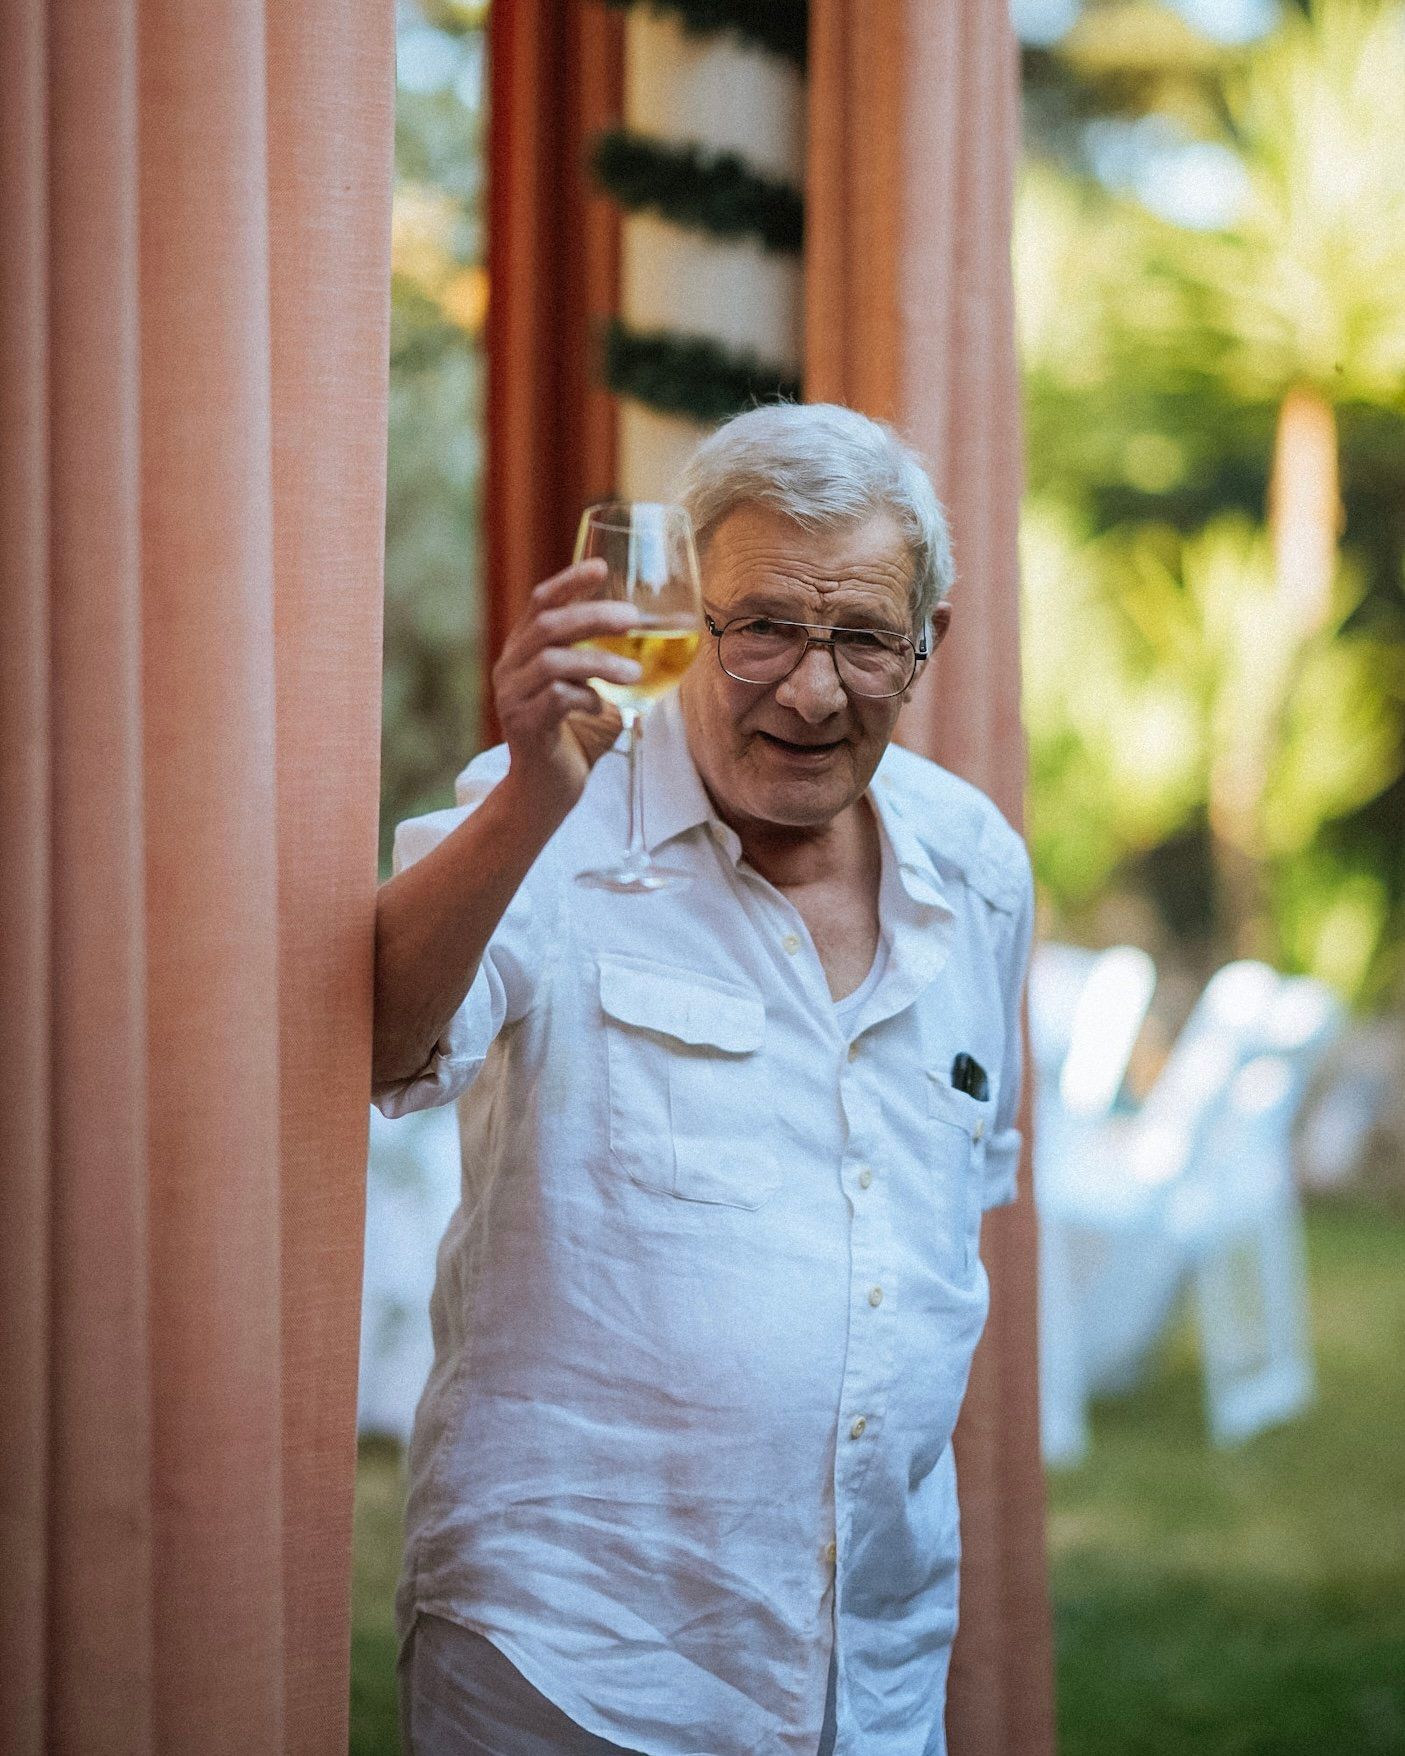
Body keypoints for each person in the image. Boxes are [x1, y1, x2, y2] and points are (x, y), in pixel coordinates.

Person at [372, 401, 1033, 1756]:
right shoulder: (548, 811)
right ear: (679, 614)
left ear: (926, 647)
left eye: (859, 635)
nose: (810, 687)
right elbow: (380, 1044)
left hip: (871, 1663)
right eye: (761, 627)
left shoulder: (976, 866)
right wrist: (525, 802)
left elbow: (948, 1214)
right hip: (577, 1655)